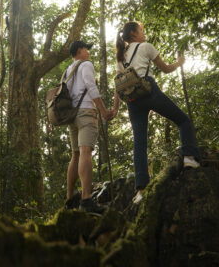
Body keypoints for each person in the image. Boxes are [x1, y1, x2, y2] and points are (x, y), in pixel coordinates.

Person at [111, 22, 200, 204]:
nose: (144, 34)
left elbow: (119, 84)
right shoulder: (146, 47)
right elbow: (165, 69)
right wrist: (179, 63)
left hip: (132, 99)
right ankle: (189, 157)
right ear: (134, 33)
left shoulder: (121, 56)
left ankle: (141, 190)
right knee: (183, 120)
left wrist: (115, 107)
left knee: (139, 143)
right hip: (149, 90)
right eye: (141, 31)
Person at [64, 40, 112, 213]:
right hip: (85, 111)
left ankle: (70, 200)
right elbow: (90, 87)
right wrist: (103, 110)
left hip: (72, 115)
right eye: (86, 49)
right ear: (79, 50)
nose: (88, 52)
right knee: (85, 152)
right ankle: (86, 200)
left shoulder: (69, 70)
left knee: (75, 154)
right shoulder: (86, 65)